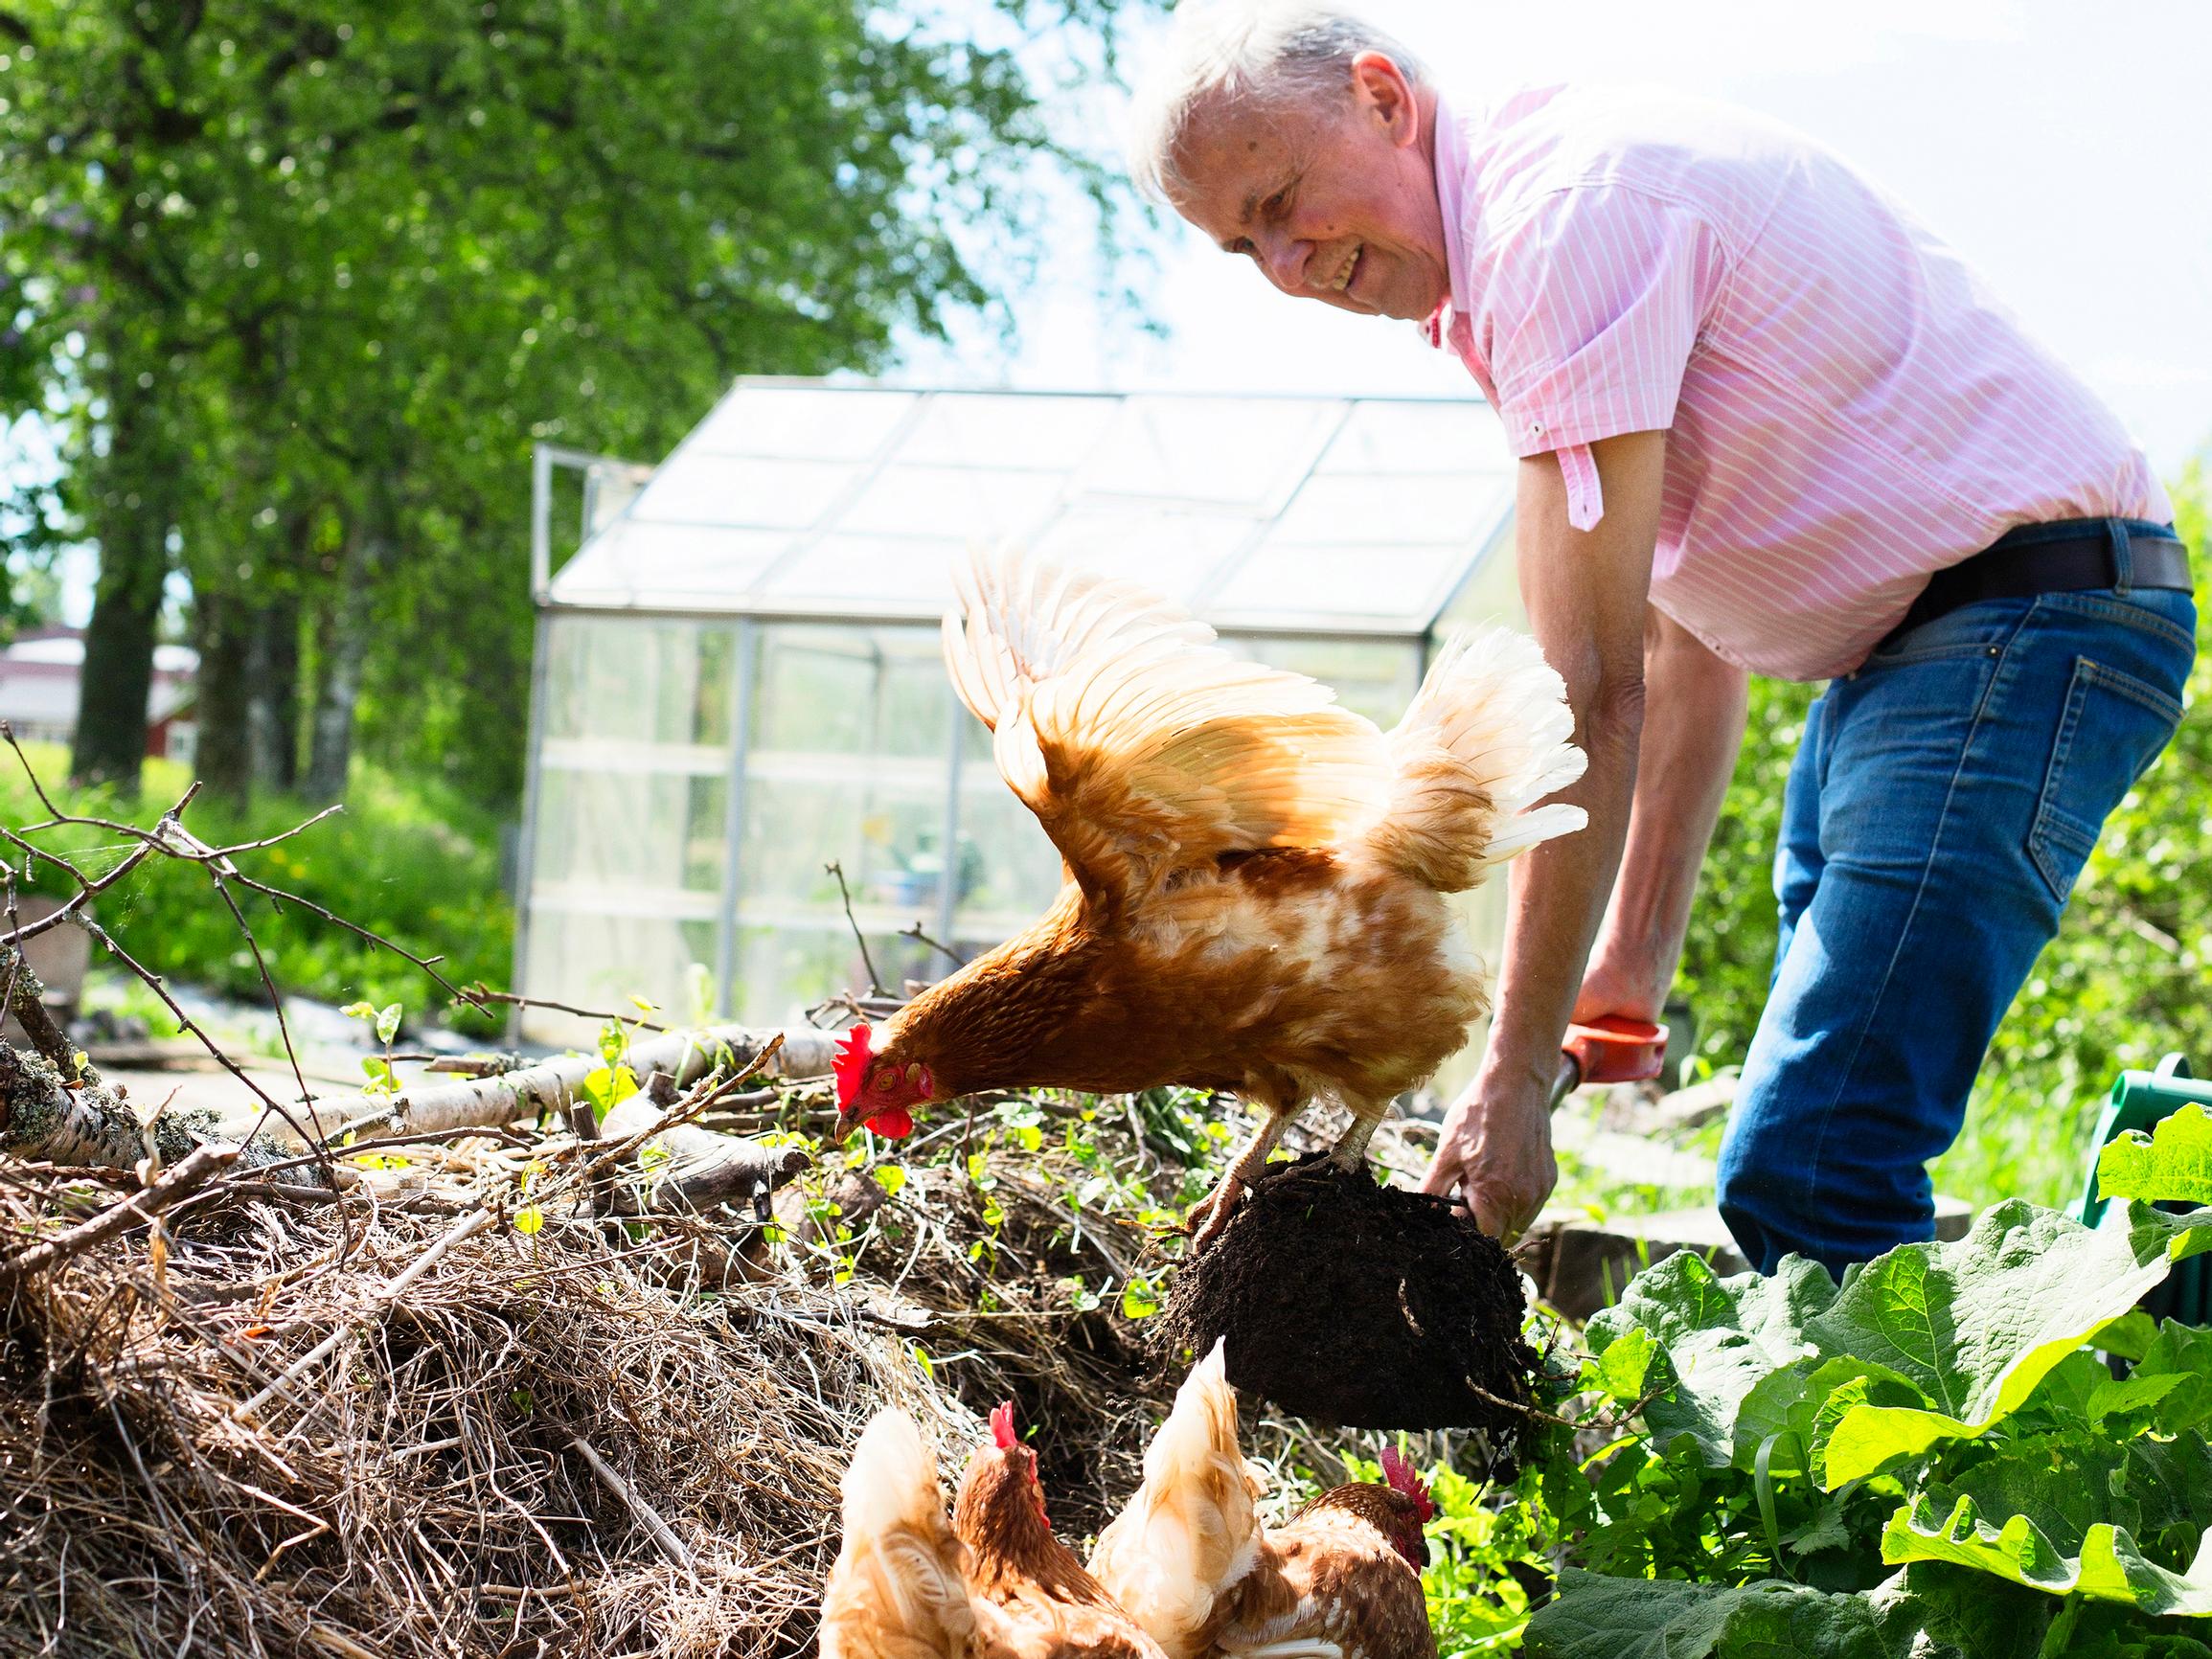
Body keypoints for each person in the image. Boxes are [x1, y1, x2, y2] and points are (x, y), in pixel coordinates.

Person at [1128, 1, 2196, 1275]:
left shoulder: (1558, 225)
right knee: (1829, 1115)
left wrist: (1514, 1073)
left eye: (1284, 200)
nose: (1289, 268)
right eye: (1244, 249)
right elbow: (1681, 640)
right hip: (1917, 657)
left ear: (1381, 97)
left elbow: (1583, 693)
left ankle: (1899, 1468)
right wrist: (1621, 969)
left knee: (1818, 1162)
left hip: (2016, 628)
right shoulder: (1513, 241)